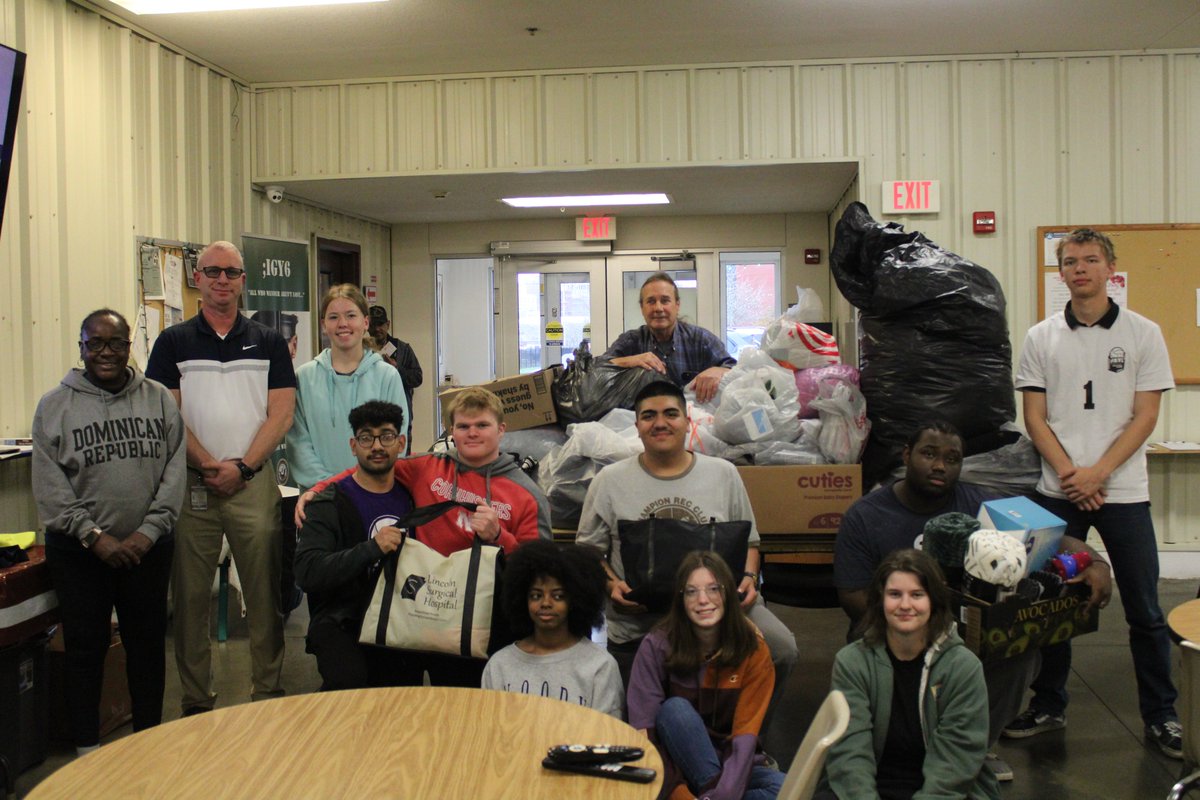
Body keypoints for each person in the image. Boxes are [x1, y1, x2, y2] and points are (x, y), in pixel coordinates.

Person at [833, 419, 1112, 781]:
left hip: (964, 629)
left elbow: (1049, 536)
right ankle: (907, 752)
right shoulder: (866, 514)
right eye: (929, 454)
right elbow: (852, 595)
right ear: (906, 455)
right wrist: (913, 623)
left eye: (952, 458)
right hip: (888, 628)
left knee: (1021, 654)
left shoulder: (981, 504)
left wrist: (1095, 561)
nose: (939, 466)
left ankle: (972, 748)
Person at [1007, 227, 1181, 758]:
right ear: (1060, 273)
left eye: (1090, 260)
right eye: (1070, 262)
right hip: (1056, 490)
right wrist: (1069, 474)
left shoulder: (1144, 333)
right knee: (1051, 604)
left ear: (1111, 270)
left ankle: (1162, 715)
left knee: (1146, 609)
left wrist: (1098, 473)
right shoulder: (1040, 337)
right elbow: (1033, 417)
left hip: (1122, 490)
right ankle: (1049, 704)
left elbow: (1145, 415)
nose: (1080, 269)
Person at [296, 386, 550, 685]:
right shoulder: (427, 467)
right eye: (463, 426)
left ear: (501, 429)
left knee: (466, 704)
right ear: (451, 430)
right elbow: (370, 467)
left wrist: (499, 536)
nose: (472, 433)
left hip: (481, 617)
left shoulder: (527, 494)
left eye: (482, 425)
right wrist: (316, 490)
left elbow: (540, 571)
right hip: (419, 609)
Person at [576, 380, 798, 708]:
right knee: (639, 716)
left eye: (671, 414)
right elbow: (589, 552)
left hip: (721, 610)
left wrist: (749, 580)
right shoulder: (609, 481)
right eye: (649, 416)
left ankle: (749, 738)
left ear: (687, 422)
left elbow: (750, 541)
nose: (660, 423)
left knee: (782, 649)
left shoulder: (724, 474)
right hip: (643, 618)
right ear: (636, 426)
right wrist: (612, 586)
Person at [146, 240, 297, 715]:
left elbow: (282, 414)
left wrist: (244, 467)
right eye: (212, 271)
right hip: (193, 484)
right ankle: (195, 699)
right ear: (198, 278)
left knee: (263, 590)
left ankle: (267, 695)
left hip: (252, 482)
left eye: (231, 272)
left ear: (243, 280)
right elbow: (167, 414)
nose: (221, 280)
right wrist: (208, 465)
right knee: (190, 598)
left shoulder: (269, 341)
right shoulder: (172, 342)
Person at [32, 309, 186, 754]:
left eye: (115, 343)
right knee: (85, 648)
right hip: (79, 553)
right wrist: (93, 536)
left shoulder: (157, 398)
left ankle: (148, 742)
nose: (105, 352)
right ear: (81, 348)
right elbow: (49, 485)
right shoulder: (54, 406)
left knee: (146, 647)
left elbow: (175, 469)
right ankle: (87, 749)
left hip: (147, 549)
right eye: (94, 343)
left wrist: (149, 531)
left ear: (129, 346)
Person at [819, 549, 999, 800]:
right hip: (870, 788)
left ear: (934, 600)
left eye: (917, 595)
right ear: (880, 599)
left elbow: (956, 762)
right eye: (894, 594)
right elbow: (850, 752)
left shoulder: (963, 667)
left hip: (942, 792)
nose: (905, 605)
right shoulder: (852, 662)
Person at [626, 551, 785, 800]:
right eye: (691, 591)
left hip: (732, 766)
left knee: (785, 789)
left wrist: (722, 795)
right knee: (675, 710)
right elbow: (644, 739)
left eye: (713, 589)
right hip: (673, 766)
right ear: (680, 599)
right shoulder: (656, 645)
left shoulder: (752, 649)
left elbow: (744, 740)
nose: (703, 599)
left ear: (728, 595)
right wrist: (679, 794)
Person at [293, 400, 414, 689]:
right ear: (352, 445)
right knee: (351, 682)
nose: (376, 446)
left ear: (401, 442)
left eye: (386, 436)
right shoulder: (329, 503)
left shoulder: (412, 496)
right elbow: (307, 572)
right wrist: (371, 548)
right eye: (365, 437)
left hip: (399, 616)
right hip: (341, 619)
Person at [482, 539, 623, 718]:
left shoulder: (600, 666)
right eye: (536, 595)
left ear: (575, 600)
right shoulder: (499, 665)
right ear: (521, 599)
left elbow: (607, 736)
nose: (546, 603)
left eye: (558, 596)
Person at [287, 285, 409, 490]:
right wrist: (332, 487)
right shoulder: (304, 377)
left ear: (365, 322)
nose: (343, 324)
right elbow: (298, 443)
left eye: (351, 315)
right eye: (333, 317)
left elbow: (395, 439)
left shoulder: (386, 376)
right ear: (324, 324)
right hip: (319, 496)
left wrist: (360, 489)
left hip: (373, 493)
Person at [602, 272, 735, 404]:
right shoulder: (630, 341)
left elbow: (738, 372)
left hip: (693, 422)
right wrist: (630, 361)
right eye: (651, 301)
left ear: (677, 305)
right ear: (642, 308)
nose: (658, 308)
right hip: (642, 422)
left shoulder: (701, 340)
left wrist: (719, 371)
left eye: (665, 300)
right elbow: (597, 369)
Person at [368, 305, 422, 432]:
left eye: (381, 324)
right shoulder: (361, 351)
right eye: (373, 324)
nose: (377, 329)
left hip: (400, 415)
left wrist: (397, 369)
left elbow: (417, 378)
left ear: (388, 324)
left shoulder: (403, 349)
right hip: (370, 416)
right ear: (366, 325)